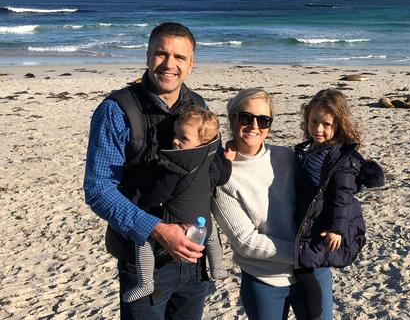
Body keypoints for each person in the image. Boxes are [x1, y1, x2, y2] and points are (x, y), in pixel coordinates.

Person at [84, 22, 218, 319]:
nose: (169, 64)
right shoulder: (117, 110)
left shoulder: (198, 106)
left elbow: (210, 169)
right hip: (143, 260)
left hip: (194, 260)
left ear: (192, 64)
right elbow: (98, 189)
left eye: (180, 57)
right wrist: (158, 230)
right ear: (147, 56)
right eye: (161, 54)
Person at [211, 88, 334, 320]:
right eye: (246, 117)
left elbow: (325, 192)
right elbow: (246, 242)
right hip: (264, 280)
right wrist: (305, 252)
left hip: (313, 271)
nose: (254, 126)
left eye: (263, 120)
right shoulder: (221, 176)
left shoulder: (287, 156)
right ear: (232, 118)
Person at [122, 105, 235, 303]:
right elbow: (223, 177)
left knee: (143, 239)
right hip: (202, 223)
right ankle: (217, 268)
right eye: (175, 134)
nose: (175, 140)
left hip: (177, 225)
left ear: (203, 142)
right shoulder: (211, 162)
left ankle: (145, 282)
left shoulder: (176, 168)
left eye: (183, 138)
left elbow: (158, 193)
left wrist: (138, 200)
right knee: (212, 235)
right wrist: (227, 161)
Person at [293, 89, 385, 320]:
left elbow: (342, 196)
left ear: (339, 124)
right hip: (313, 216)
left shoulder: (340, 157)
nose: (318, 129)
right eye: (313, 122)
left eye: (325, 123)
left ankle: (315, 313)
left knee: (304, 264)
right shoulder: (313, 148)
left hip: (326, 224)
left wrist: (337, 229)